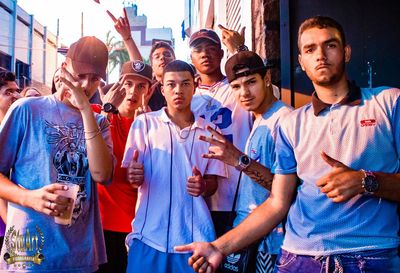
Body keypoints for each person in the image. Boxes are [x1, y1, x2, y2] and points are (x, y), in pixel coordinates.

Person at [176, 16, 400, 273]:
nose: (320, 56)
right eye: (309, 49)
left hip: (368, 256)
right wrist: (219, 246)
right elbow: (277, 202)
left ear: (346, 52)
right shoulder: (293, 123)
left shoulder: (388, 103)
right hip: (299, 257)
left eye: (330, 45)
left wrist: (366, 181)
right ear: (301, 62)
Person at [0, 36, 114, 272]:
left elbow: (102, 174)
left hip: (79, 255)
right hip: (27, 254)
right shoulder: (27, 109)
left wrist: (85, 110)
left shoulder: (100, 123)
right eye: (79, 75)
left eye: (94, 79)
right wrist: (29, 198)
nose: (84, 85)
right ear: (63, 69)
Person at [121, 60, 227, 273]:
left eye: (185, 83)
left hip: (195, 242)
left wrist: (202, 186)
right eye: (171, 84)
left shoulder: (211, 131)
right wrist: (133, 176)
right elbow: (132, 180)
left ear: (195, 86)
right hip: (148, 237)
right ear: (162, 89)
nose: (178, 90)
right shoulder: (143, 124)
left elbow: (213, 185)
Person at [198, 51, 292, 273]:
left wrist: (238, 159)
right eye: (237, 87)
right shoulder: (260, 118)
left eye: (251, 82)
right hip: (248, 238)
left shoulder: (284, 120)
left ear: (267, 79)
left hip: (271, 243)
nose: (245, 93)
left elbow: (288, 191)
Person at [189, 28, 253, 237]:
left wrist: (239, 50)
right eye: (198, 49)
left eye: (211, 48)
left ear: (222, 53)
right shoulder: (187, 95)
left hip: (241, 191)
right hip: (201, 196)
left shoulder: (237, 86)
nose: (205, 54)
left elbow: (257, 80)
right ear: (191, 57)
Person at [93, 60, 153, 273]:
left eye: (141, 86)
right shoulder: (96, 113)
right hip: (98, 226)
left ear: (150, 90)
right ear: (118, 85)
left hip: (138, 228)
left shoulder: (155, 125)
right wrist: (106, 111)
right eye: (128, 84)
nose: (133, 91)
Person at [0, 71, 22, 249]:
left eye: (17, 91)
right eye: (8, 92)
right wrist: (12, 229)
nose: (16, 95)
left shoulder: (23, 130)